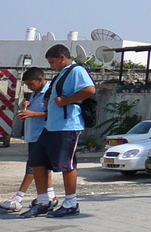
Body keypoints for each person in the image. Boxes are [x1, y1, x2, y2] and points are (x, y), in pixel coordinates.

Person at [20, 44, 95, 219]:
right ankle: (43, 202)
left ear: (62, 57)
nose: (52, 65)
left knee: (66, 165)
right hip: (51, 127)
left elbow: (90, 90)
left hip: (67, 126)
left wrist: (66, 100)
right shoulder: (62, 73)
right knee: (37, 162)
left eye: (53, 62)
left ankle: (71, 203)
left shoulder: (76, 71)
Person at [0, 69, 58, 213]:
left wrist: (32, 113)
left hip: (42, 134)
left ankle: (18, 197)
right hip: (33, 134)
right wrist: (27, 106)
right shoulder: (35, 93)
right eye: (27, 85)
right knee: (43, 166)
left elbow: (51, 113)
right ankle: (50, 195)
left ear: (40, 79)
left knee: (33, 166)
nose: (29, 87)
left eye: (31, 84)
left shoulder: (49, 92)